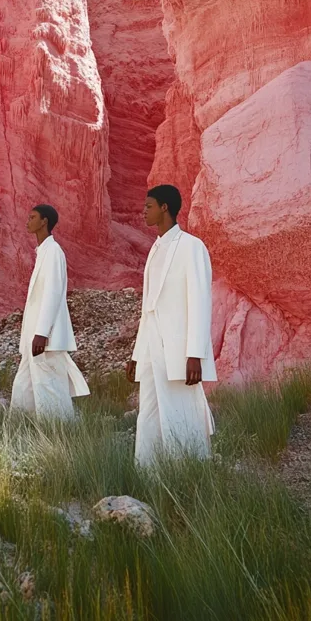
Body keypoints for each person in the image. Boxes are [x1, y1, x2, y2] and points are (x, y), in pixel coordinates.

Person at [126, 185, 216, 465]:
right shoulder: (154, 250)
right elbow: (148, 308)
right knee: (149, 412)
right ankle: (147, 473)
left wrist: (195, 354)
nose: (144, 211)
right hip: (152, 347)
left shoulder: (191, 246)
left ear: (165, 208)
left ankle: (191, 470)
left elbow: (200, 302)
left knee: (182, 411)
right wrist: (136, 354)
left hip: (179, 349)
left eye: (149, 206)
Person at [10, 204, 89, 419]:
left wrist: (42, 333)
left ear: (44, 221)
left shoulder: (54, 252)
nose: (28, 220)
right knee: (23, 386)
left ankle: (60, 435)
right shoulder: (43, 252)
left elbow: (53, 294)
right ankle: (19, 430)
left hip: (45, 336)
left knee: (50, 388)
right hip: (33, 336)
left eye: (32, 216)